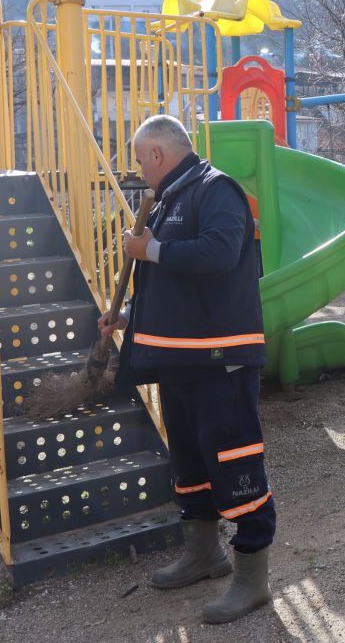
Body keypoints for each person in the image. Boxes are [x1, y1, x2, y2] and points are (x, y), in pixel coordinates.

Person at [101, 114, 275, 624]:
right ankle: (204, 554)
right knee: (191, 464)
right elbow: (175, 285)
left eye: (140, 159)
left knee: (235, 463)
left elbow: (219, 255)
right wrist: (128, 315)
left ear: (157, 153)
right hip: (179, 361)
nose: (140, 170)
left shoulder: (215, 190)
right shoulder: (169, 198)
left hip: (220, 359)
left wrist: (149, 249)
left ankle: (252, 580)